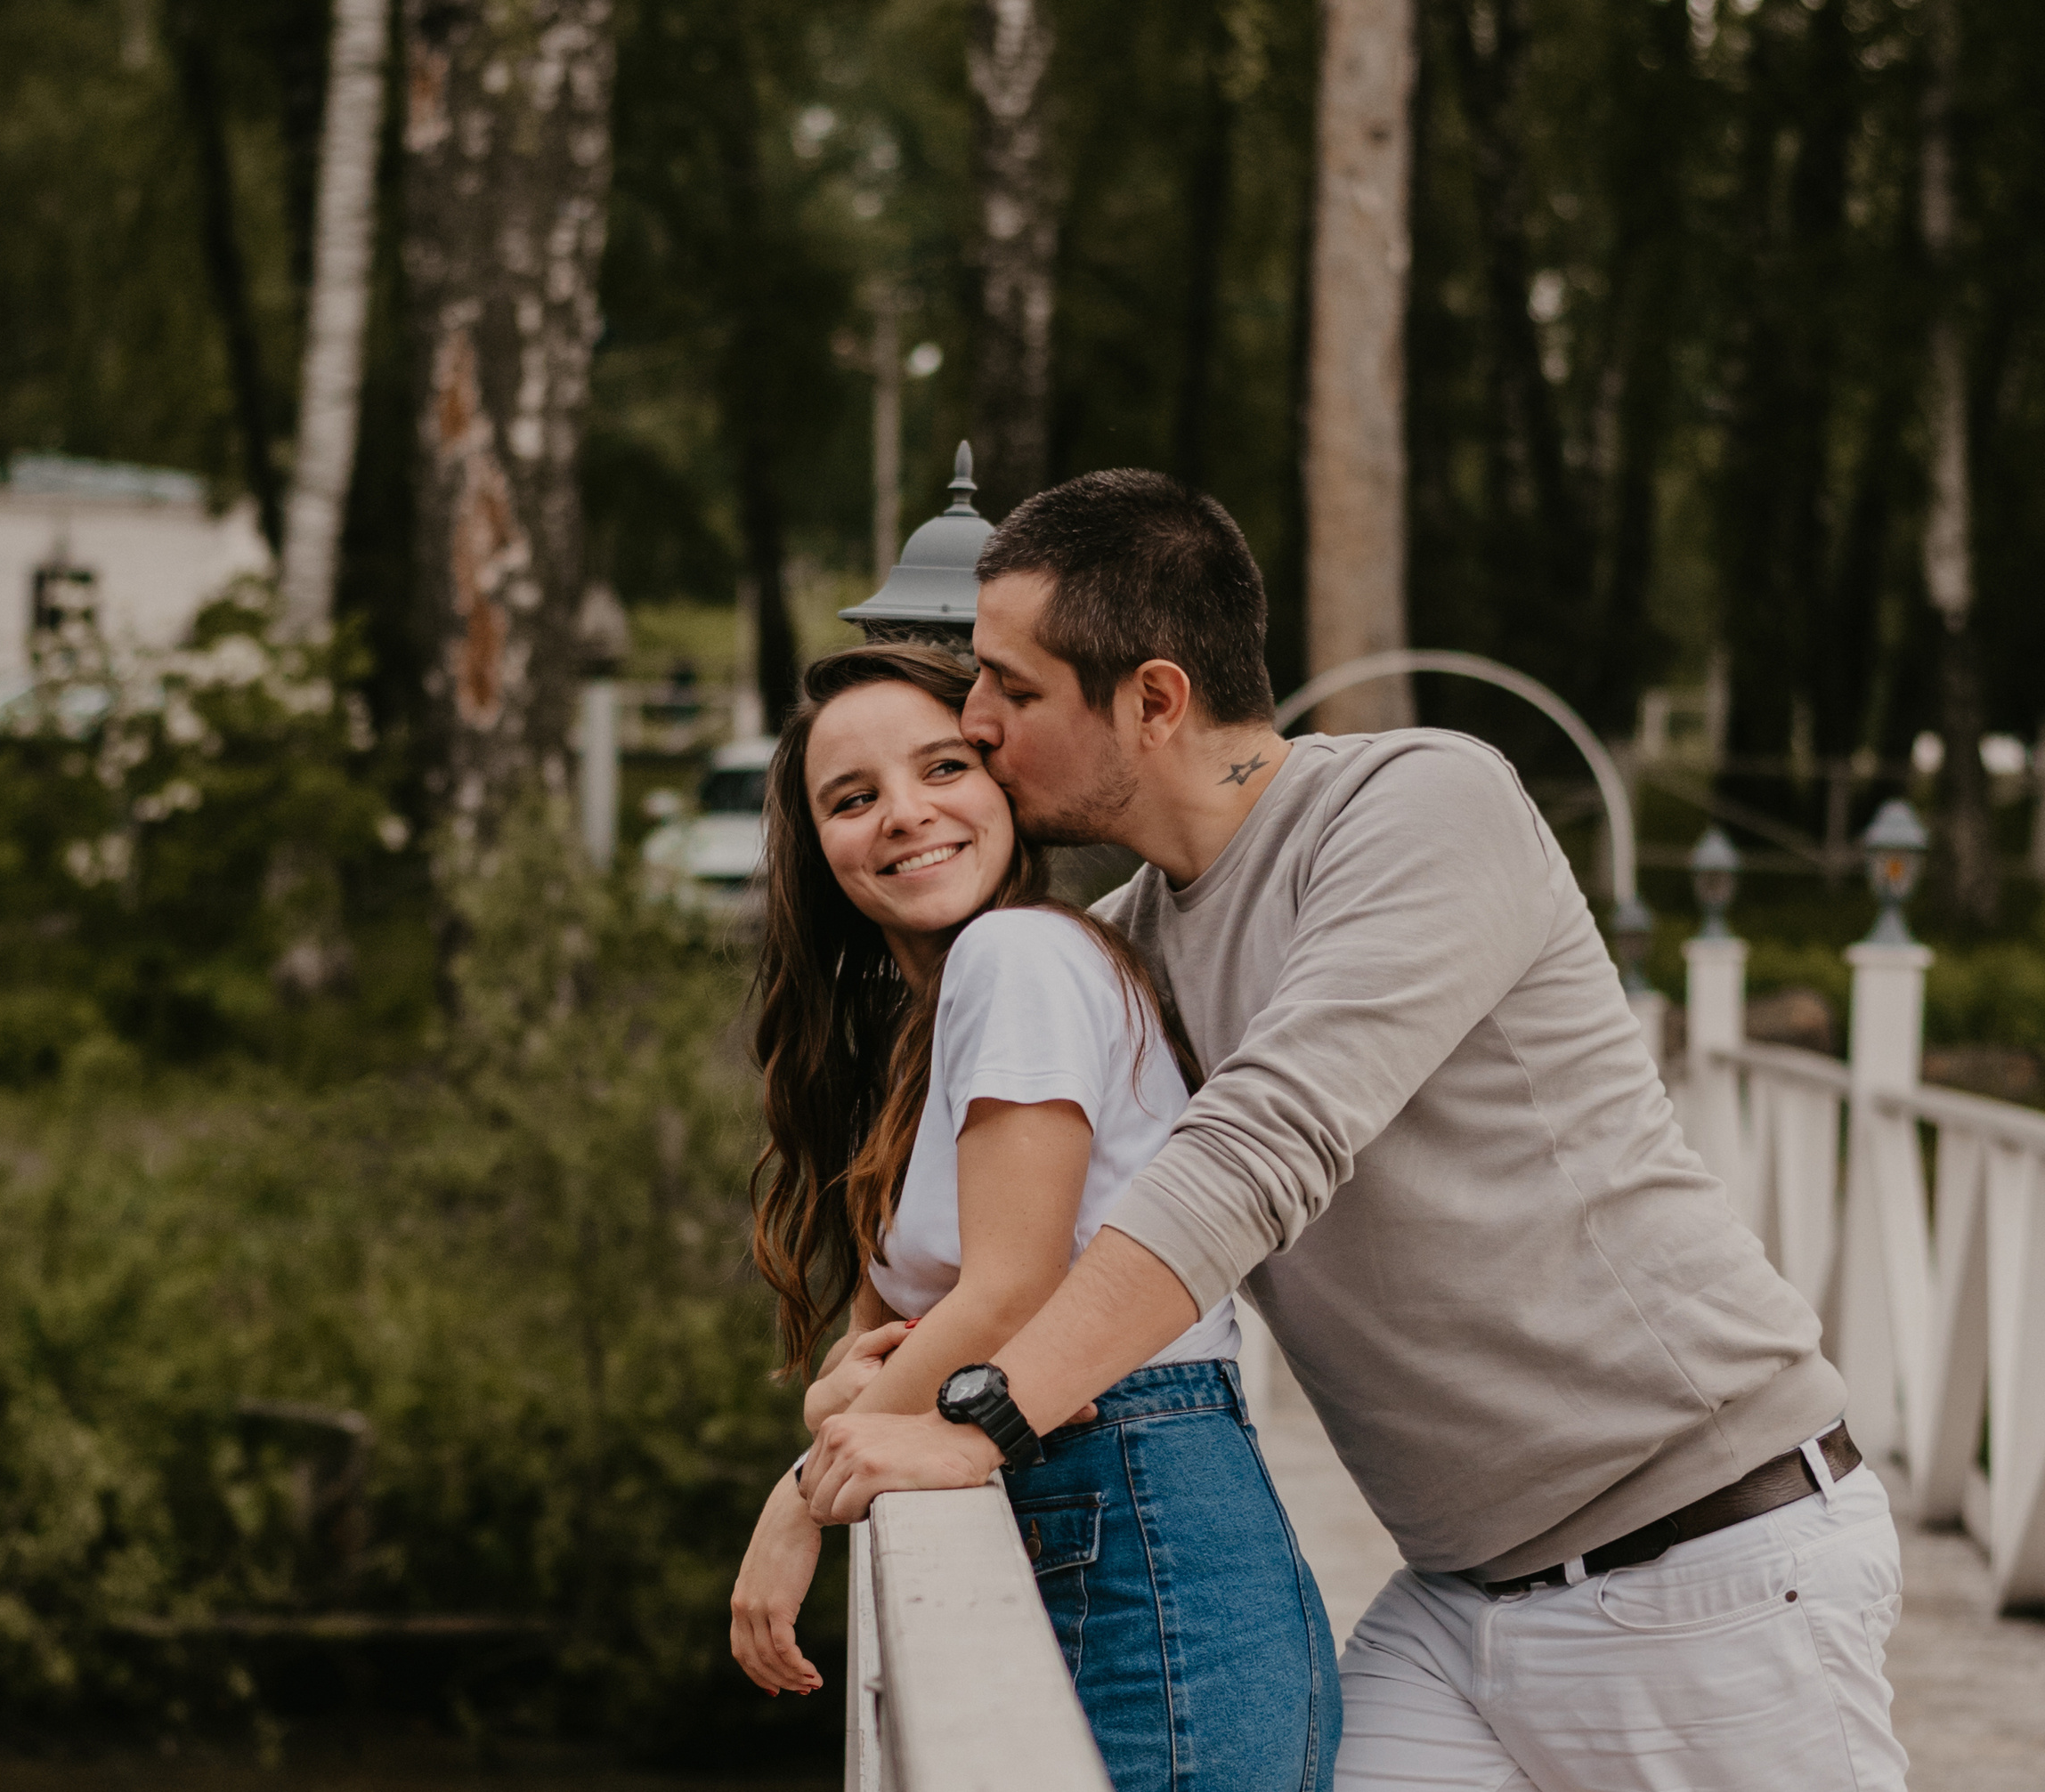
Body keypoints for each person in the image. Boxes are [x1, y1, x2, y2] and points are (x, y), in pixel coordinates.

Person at [799, 472, 1908, 1792]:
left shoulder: (1423, 805)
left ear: (1154, 700)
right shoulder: (1133, 944)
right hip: (1457, 1604)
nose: (975, 727)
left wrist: (976, 1421)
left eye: (1012, 691)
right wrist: (867, 1395)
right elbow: (1033, 1225)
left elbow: (1262, 1152)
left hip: (1714, 1561)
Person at [728, 642, 1340, 1792]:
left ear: (1005, 783)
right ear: (821, 851)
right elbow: (911, 1334)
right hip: (1100, 1518)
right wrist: (842, 1395)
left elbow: (1011, 1292)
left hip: (1139, 1523)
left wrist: (800, 1492)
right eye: (853, 799)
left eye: (945, 766)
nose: (905, 815)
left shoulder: (1019, 957)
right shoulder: (937, 1025)